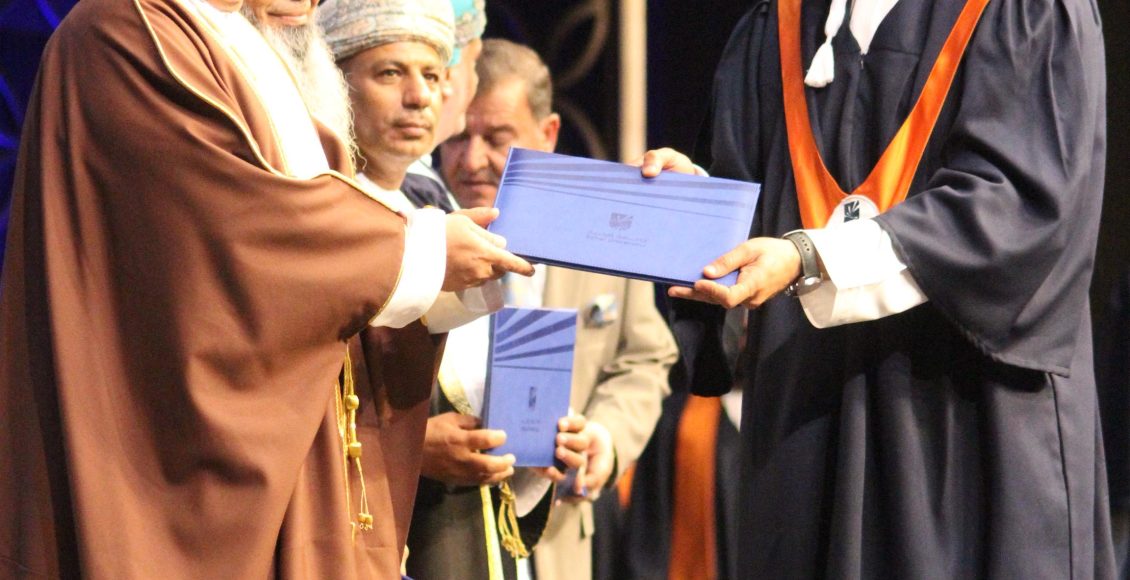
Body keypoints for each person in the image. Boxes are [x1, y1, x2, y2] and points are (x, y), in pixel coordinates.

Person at [0, 0, 534, 576]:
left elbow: (310, 238)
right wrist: (421, 253)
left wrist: (434, 278)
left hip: (302, 459)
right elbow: (235, 231)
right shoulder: (126, 31)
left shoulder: (238, 42)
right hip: (166, 469)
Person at [640, 0, 1113, 577]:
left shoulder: (1022, 12)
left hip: (964, 423)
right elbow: (753, 203)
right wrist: (699, 211)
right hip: (806, 424)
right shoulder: (778, 25)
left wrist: (812, 257)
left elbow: (1020, 203)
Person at [407, 38, 677, 580]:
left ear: (548, 134)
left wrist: (603, 438)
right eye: (457, 136)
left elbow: (645, 358)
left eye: (496, 139)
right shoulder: (410, 237)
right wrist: (415, 445)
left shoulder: (602, 232)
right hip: (439, 535)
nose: (472, 160)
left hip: (559, 544)